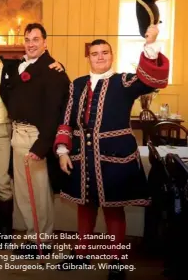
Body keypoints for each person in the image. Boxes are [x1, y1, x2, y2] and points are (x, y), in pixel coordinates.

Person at [53, 25, 168, 280]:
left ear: (111, 55)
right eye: (95, 53)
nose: (100, 57)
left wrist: (150, 44)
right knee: (85, 206)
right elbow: (67, 119)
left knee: (114, 209)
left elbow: (153, 80)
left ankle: (117, 261)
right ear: (89, 57)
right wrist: (62, 150)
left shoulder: (125, 81)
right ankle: (81, 255)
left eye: (105, 52)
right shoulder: (77, 84)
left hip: (114, 156)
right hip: (82, 155)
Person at [0, 33, 64, 244]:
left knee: (3, 182)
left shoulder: (14, 67)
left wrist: (58, 65)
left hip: (6, 131)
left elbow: (38, 67)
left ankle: (5, 232)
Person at [4, 23, 71, 256]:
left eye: (36, 39)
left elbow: (56, 111)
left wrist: (42, 146)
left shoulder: (54, 71)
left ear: (45, 43)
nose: (31, 43)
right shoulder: (19, 66)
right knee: (23, 192)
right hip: (17, 134)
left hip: (35, 137)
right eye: (27, 39)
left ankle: (43, 241)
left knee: (39, 193)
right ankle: (33, 237)